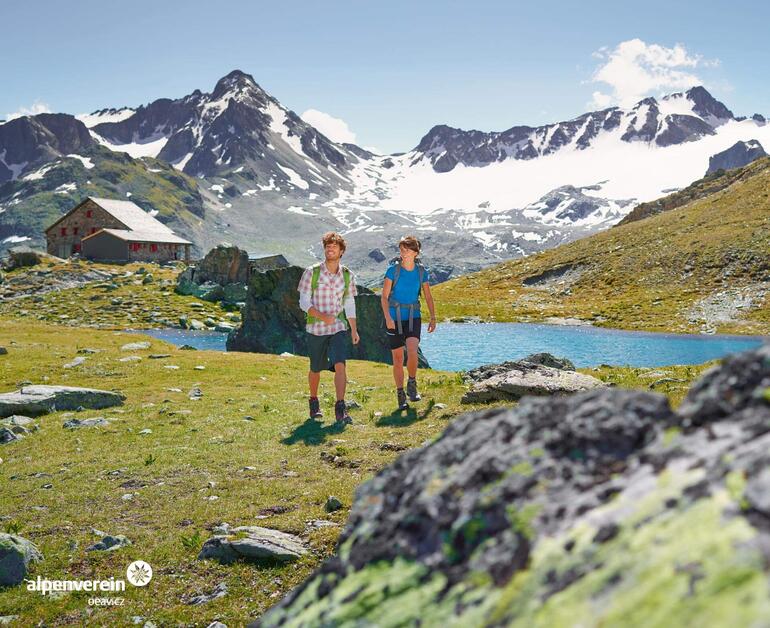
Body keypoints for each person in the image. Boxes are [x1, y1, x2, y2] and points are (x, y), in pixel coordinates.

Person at [297, 232, 360, 424]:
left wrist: (354, 329)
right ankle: (314, 401)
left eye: (334, 246)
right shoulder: (312, 272)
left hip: (339, 328)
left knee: (340, 364)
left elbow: (349, 303)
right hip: (316, 329)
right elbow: (303, 302)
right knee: (315, 368)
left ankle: (341, 407)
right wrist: (323, 317)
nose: (330, 249)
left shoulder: (348, 275)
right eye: (327, 246)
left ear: (341, 251)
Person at [381, 235, 436, 410]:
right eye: (401, 249)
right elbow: (383, 296)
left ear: (415, 252)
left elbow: (427, 296)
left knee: (412, 351)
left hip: (414, 316)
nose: (403, 253)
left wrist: (433, 317)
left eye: (407, 250)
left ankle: (412, 384)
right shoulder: (392, 270)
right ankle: (400, 394)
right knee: (397, 359)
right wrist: (388, 318)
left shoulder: (422, 272)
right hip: (394, 317)